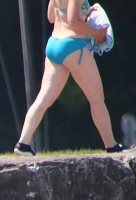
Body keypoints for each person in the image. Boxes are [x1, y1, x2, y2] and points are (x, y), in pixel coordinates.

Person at [14, 0, 123, 156]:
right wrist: (97, 34)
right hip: (73, 45)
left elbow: (52, 16)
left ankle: (23, 143)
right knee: (97, 97)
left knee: (43, 98)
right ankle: (111, 146)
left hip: (54, 44)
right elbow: (72, 22)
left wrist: (84, 11)